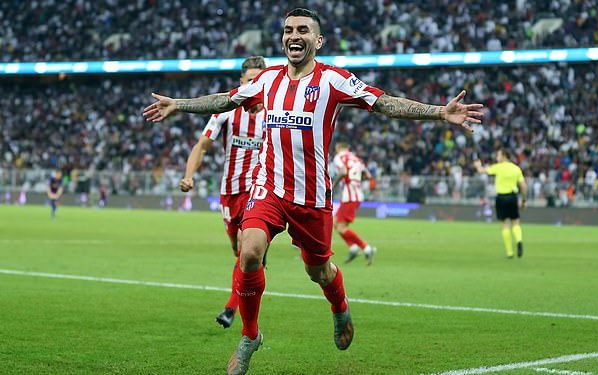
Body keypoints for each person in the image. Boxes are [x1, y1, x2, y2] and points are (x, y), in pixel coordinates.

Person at [143, 8, 484, 375]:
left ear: (317, 41)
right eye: (289, 29)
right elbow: (225, 100)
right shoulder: (267, 80)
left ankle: (339, 308)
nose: (294, 35)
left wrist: (438, 113)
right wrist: (178, 104)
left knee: (318, 270)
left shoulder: (334, 81)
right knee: (250, 253)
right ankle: (250, 335)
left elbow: (384, 103)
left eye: (303, 30)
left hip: (312, 198)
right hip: (268, 187)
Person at [180, 56, 267, 329]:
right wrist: (189, 175)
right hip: (230, 192)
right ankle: (256, 264)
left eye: (259, 79)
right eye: (250, 79)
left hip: (259, 191)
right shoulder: (227, 111)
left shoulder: (275, 112)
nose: (255, 84)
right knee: (237, 251)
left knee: (245, 250)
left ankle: (231, 308)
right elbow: (202, 146)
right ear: (241, 82)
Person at [474, 149, 527, 258]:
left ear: (504, 156)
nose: (496, 157)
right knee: (516, 222)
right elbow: (523, 186)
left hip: (501, 197)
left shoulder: (498, 167)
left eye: (498, 155)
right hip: (513, 197)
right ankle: (519, 240)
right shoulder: (516, 168)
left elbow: (481, 171)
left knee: (504, 224)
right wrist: (524, 200)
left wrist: (478, 165)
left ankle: (509, 252)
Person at [332, 142, 376, 265]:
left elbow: (343, 171)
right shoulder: (357, 159)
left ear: (338, 148)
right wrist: (356, 180)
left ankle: (366, 248)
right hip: (356, 194)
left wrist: (333, 185)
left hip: (349, 196)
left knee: (341, 227)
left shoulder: (339, 157)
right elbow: (368, 175)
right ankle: (353, 248)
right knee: (335, 222)